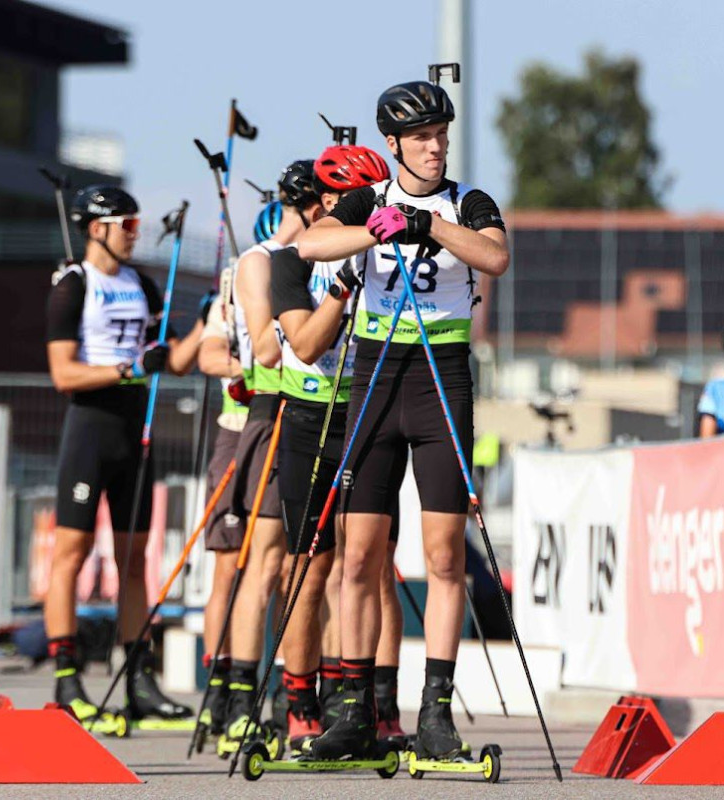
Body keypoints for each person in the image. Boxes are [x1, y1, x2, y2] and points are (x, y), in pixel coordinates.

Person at [298, 77, 509, 760]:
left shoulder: (468, 201)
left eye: (441, 135)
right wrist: (372, 228)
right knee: (360, 555)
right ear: (392, 143)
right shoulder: (369, 196)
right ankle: (354, 712)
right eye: (421, 137)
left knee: (445, 555)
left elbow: (495, 257)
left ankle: (436, 714)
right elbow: (310, 246)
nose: (435, 147)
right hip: (375, 376)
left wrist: (428, 226)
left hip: (440, 379)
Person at [44, 184, 205, 734]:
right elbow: (63, 374)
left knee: (135, 560)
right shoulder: (74, 284)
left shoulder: (142, 283)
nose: (136, 235)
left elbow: (175, 361)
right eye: (127, 226)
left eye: (138, 225)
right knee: (71, 554)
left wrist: (207, 320)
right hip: (90, 428)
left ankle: (139, 680)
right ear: (97, 229)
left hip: (136, 428)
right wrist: (129, 368)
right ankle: (67, 679)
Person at [270, 144, 412, 753]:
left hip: (370, 416)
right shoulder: (292, 261)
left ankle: (376, 703)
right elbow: (305, 345)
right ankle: (299, 703)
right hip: (310, 420)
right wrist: (346, 282)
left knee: (376, 568)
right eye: (360, 199)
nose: (372, 208)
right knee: (309, 569)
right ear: (327, 202)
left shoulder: (387, 250)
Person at [216, 165, 312, 757]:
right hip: (274, 408)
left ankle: (299, 696)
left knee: (312, 568)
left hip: (322, 409)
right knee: (265, 563)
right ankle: (240, 700)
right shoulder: (262, 260)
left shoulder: (323, 255)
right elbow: (267, 348)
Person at [194, 205, 280, 738]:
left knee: (279, 566)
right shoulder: (234, 280)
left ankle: (281, 684)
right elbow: (208, 354)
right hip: (236, 428)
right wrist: (242, 369)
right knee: (228, 566)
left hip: (282, 426)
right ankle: (218, 683)